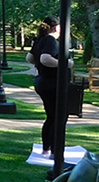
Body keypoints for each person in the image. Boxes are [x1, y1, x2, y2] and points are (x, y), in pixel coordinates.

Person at [26, 16, 68, 159]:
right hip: (52, 83)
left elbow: (29, 58)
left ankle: (46, 149)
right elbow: (45, 58)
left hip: (42, 81)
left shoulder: (40, 40)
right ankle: (55, 152)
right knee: (59, 117)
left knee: (51, 116)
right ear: (56, 28)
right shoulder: (51, 40)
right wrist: (64, 63)